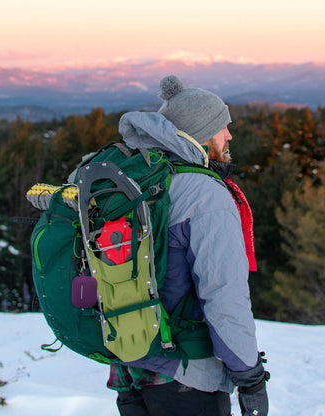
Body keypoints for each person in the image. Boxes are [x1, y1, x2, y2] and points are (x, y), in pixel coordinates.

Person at [107, 75, 269, 416]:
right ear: (201, 134)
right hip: (186, 376)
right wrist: (250, 377)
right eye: (222, 127)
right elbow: (224, 297)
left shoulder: (140, 182)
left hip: (129, 368)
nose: (229, 136)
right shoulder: (204, 195)